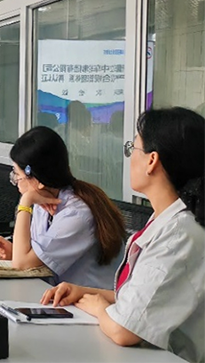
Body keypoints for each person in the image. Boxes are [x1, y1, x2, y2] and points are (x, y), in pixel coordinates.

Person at [42, 108, 205, 362]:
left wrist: (99, 308)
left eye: (133, 148)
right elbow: (144, 298)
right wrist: (84, 292)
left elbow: (124, 330)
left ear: (152, 160)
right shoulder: (165, 218)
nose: (129, 157)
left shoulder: (178, 234)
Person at [0, 126, 125, 289]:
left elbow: (21, 264)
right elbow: (31, 259)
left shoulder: (76, 214)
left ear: (38, 180)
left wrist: (25, 202)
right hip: (57, 293)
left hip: (88, 301)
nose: (15, 182)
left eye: (17, 175)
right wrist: (13, 252)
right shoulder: (44, 201)